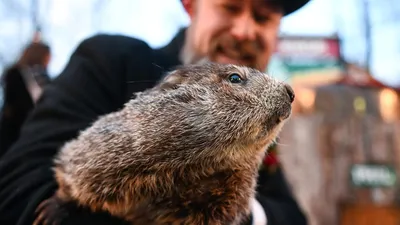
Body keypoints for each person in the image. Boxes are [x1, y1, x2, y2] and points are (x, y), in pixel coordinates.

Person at [0, 0, 310, 224]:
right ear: (191, 5)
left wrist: (239, 212)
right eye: (230, 7)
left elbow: (290, 215)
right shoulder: (111, 60)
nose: (245, 30)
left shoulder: (258, 122)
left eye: (262, 17)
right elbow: (20, 190)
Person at [0, 41, 51, 157]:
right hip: (15, 131)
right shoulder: (15, 73)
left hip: (36, 132)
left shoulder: (44, 77)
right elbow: (14, 104)